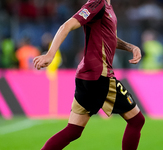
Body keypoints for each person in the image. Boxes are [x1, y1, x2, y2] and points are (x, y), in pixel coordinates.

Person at [33, 0, 145, 150]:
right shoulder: (97, 3)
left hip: (86, 77)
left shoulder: (106, 6)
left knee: (73, 130)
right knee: (137, 121)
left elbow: (109, 37)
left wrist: (131, 47)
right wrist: (50, 54)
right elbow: (66, 25)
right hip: (100, 76)